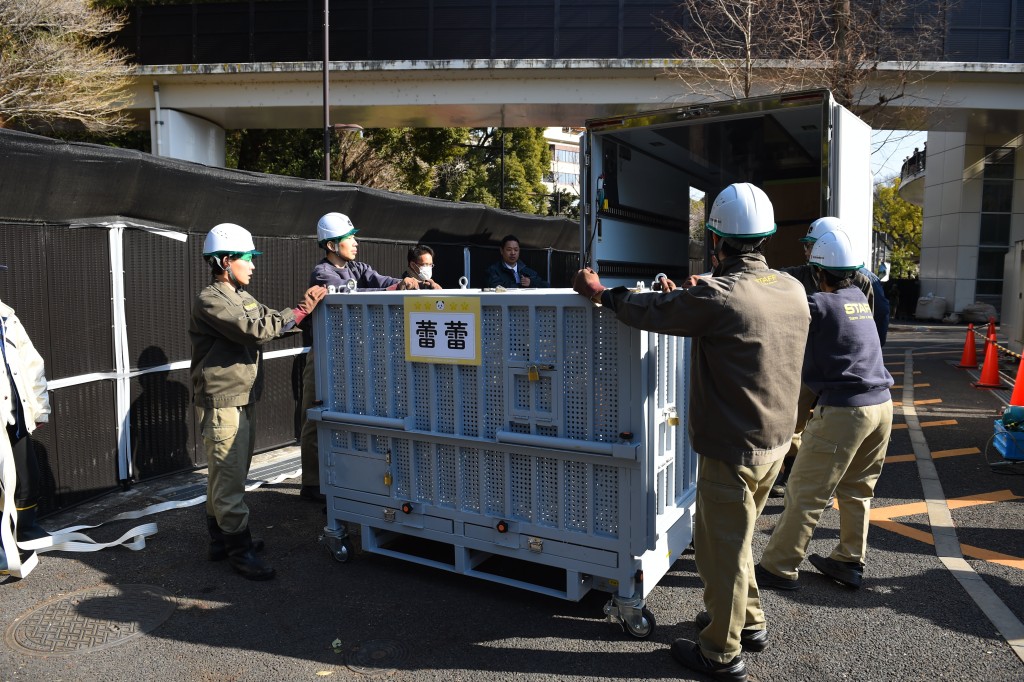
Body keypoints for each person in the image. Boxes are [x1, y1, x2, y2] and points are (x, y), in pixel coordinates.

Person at [573, 183, 810, 682]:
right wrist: (696, 289)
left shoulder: (721, 297)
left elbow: (651, 312)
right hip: (777, 442)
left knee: (719, 550)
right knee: (737, 539)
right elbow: (725, 306)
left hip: (733, 446)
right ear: (764, 238)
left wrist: (601, 294)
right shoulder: (790, 288)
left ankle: (720, 652)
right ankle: (750, 623)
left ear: (717, 242)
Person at [757, 229, 894, 591]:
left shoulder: (816, 304)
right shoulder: (858, 300)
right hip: (882, 406)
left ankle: (778, 566)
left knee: (805, 491)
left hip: (846, 410)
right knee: (858, 489)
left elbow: (772, 314)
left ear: (818, 273)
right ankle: (850, 559)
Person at [190, 222, 326, 580]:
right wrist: (302, 308)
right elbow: (257, 329)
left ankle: (220, 541)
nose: (252, 265)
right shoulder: (211, 299)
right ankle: (239, 548)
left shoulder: (241, 296)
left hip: (241, 396)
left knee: (226, 475)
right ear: (224, 261)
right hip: (222, 401)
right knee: (230, 478)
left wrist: (295, 314)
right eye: (247, 258)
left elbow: (268, 318)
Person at [297, 213, 419, 503]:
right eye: (348, 238)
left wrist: (409, 282)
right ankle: (312, 483)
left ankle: (345, 478)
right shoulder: (322, 274)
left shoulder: (358, 267)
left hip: (351, 357)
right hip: (325, 356)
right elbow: (357, 294)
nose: (355, 243)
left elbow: (381, 280)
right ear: (330, 244)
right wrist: (393, 288)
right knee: (316, 418)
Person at [770, 217, 887, 499]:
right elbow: (769, 278)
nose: (806, 251)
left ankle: (815, 484)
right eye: (807, 245)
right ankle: (792, 470)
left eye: (811, 245)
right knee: (793, 422)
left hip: (842, 373)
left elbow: (871, 329)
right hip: (805, 366)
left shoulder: (864, 282)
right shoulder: (801, 274)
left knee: (831, 430)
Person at [0, 264, 51, 576]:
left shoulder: (6, 315)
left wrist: (39, 408)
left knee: (25, 477)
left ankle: (25, 531)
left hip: (14, 412)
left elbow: (31, 363)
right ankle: (4, 544)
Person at [484, 234, 549, 288]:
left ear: (519, 251)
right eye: (509, 250)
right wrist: (521, 285)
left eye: (516, 250)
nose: (513, 253)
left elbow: (546, 285)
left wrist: (531, 282)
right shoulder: (493, 270)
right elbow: (496, 287)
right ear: (501, 251)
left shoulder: (526, 270)